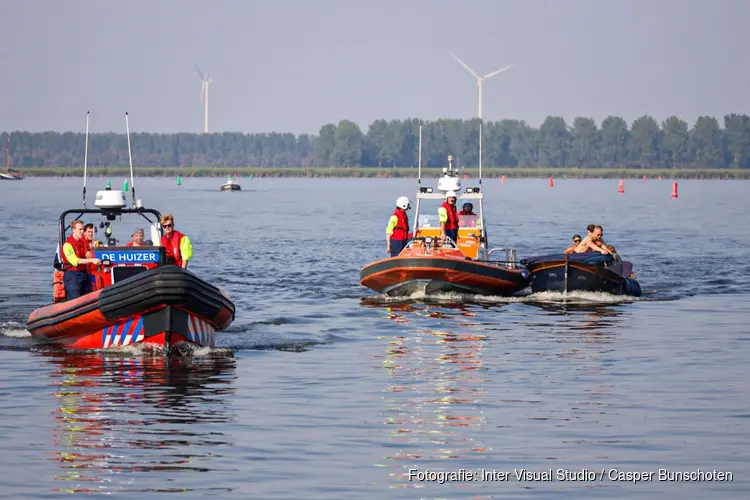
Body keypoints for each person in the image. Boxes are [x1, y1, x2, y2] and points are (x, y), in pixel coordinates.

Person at [61, 220, 101, 299]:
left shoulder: (82, 243)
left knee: (88, 298)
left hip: (84, 275)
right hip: (73, 275)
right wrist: (92, 260)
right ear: (73, 230)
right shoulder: (67, 245)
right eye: (80, 229)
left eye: (83, 229)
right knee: (75, 299)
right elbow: (75, 260)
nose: (82, 232)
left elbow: (86, 254)